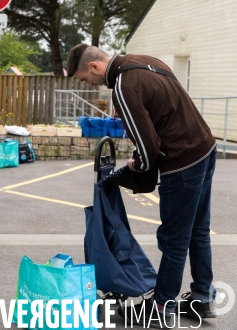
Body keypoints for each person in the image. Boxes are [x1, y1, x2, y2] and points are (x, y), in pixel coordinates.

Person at [67, 44, 217, 325]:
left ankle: (161, 307)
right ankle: (203, 297)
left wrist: (137, 164)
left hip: (182, 162)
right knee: (197, 230)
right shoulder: (144, 60)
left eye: (85, 79)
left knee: (173, 239)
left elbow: (148, 145)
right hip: (205, 149)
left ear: (94, 67)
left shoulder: (123, 85)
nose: (89, 84)